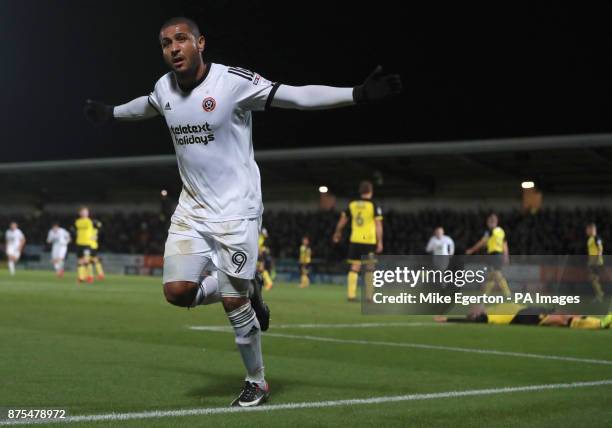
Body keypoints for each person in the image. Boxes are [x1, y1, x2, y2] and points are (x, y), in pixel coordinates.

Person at [84, 16, 401, 407]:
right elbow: (148, 106)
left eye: (181, 39)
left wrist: (357, 94)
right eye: (166, 43)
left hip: (237, 210)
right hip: (192, 210)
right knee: (177, 292)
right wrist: (111, 112)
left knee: (233, 302)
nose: (173, 48)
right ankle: (248, 283)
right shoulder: (164, 88)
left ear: (200, 43)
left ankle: (257, 381)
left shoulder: (232, 82)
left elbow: (296, 96)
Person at [332, 181, 384, 302]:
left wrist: (337, 232)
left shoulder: (353, 204)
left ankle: (351, 295)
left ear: (360, 191)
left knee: (355, 266)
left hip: (355, 239)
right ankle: (369, 297)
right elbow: (378, 225)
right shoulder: (373, 205)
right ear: (371, 191)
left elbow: (342, 220)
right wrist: (380, 241)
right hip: (369, 240)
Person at [435, 304, 612, 330]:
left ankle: (602, 321)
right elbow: (468, 321)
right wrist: (448, 319)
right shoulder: (485, 317)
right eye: (473, 310)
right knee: (561, 319)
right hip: (523, 316)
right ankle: (602, 324)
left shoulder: (491, 308)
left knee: (565, 315)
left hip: (528, 309)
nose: (476, 307)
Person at [466, 213, 511, 297]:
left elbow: (482, 242)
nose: (490, 223)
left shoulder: (490, 231)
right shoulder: (501, 231)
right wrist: (506, 255)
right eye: (490, 221)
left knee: (497, 274)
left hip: (495, 254)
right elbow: (505, 244)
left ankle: (507, 294)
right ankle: (485, 296)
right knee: (491, 275)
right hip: (496, 254)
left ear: (493, 222)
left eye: (491, 222)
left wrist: (471, 250)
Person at [585, 222, 605, 301]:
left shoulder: (597, 238)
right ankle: (599, 294)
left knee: (594, 278)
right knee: (593, 279)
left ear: (592, 229)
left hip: (596, 261)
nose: (586, 231)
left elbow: (600, 248)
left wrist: (598, 259)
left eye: (587, 229)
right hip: (592, 261)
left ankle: (600, 295)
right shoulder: (590, 239)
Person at [74, 207, 94, 283]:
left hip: (87, 244)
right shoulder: (78, 222)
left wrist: (93, 236)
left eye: (86, 212)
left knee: (86, 260)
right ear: (80, 213)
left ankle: (90, 276)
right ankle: (81, 277)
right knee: (80, 261)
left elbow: (92, 231)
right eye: (83, 212)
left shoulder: (89, 221)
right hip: (79, 243)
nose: (85, 213)